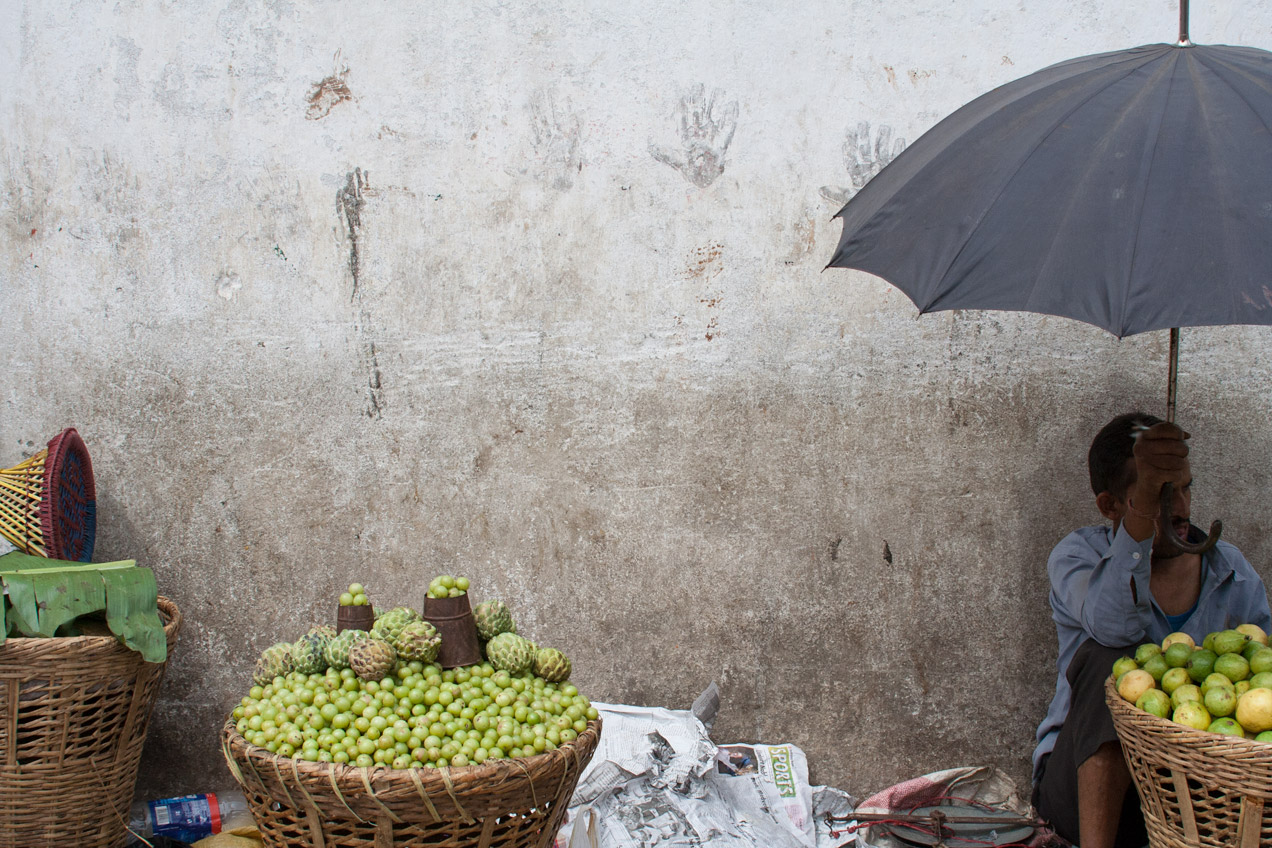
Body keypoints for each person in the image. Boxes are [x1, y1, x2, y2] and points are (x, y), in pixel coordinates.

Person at [1032, 412, 1272, 848]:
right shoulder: (1079, 557)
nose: (1180, 508)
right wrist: (1141, 522)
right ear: (1110, 505)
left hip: (1200, 796)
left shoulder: (1230, 570)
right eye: (1160, 494)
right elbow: (1113, 628)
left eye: (1185, 488)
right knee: (1113, 665)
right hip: (1087, 795)